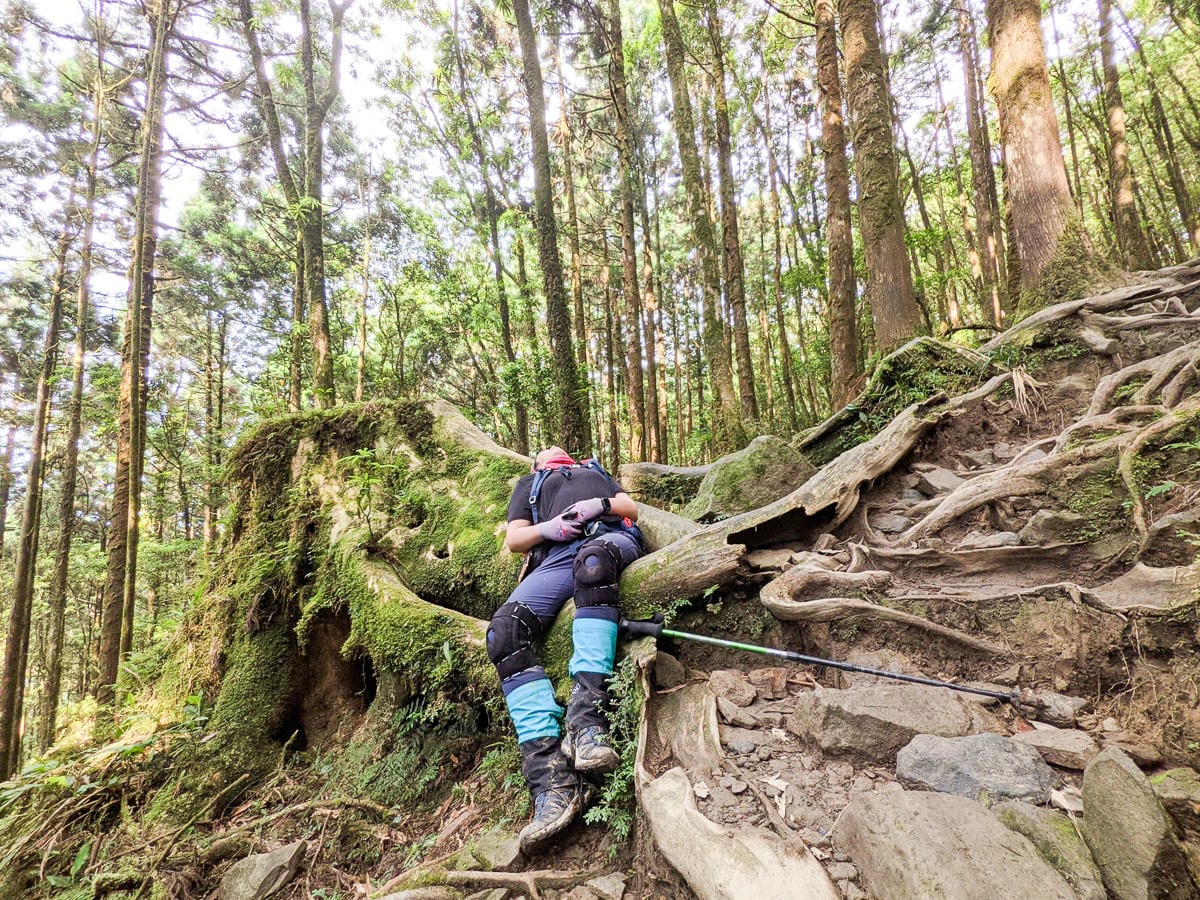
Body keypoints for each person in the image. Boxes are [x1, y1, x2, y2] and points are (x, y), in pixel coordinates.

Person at [488, 446, 643, 854]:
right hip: (555, 558)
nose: (552, 451)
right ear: (536, 463)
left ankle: (587, 723)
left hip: (608, 540)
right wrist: (550, 528)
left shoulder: (594, 470)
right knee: (503, 632)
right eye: (543, 452)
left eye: (559, 452)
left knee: (593, 563)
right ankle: (550, 778)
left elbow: (632, 508)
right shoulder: (530, 484)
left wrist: (601, 504)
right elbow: (516, 539)